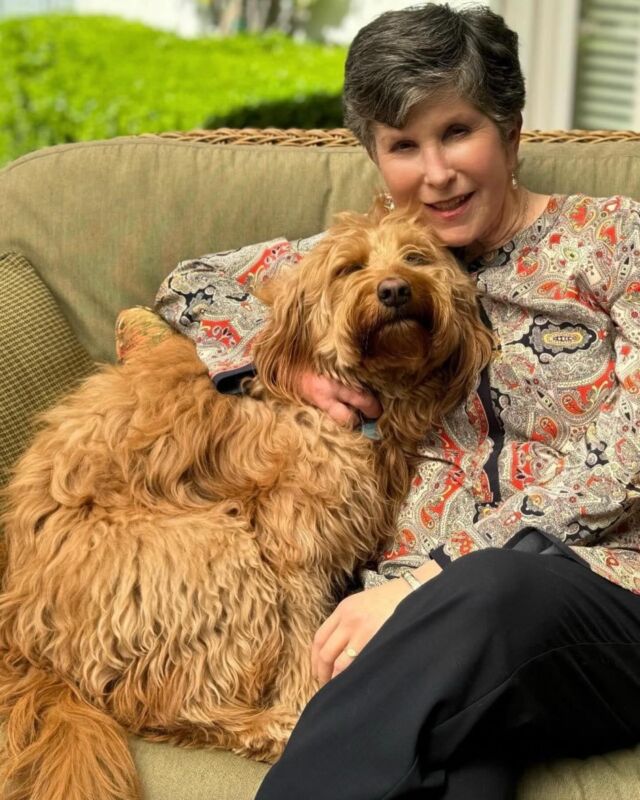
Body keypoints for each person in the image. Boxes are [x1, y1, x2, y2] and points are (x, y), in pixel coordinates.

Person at [154, 3, 640, 797]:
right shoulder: (362, 263)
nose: (436, 173)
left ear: (511, 132)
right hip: (445, 643)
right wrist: (288, 370)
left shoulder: (617, 240)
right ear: (377, 162)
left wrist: (430, 579)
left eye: (457, 132)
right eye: (403, 147)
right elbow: (190, 284)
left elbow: (630, 450)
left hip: (601, 601)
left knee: (494, 591)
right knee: (458, 769)